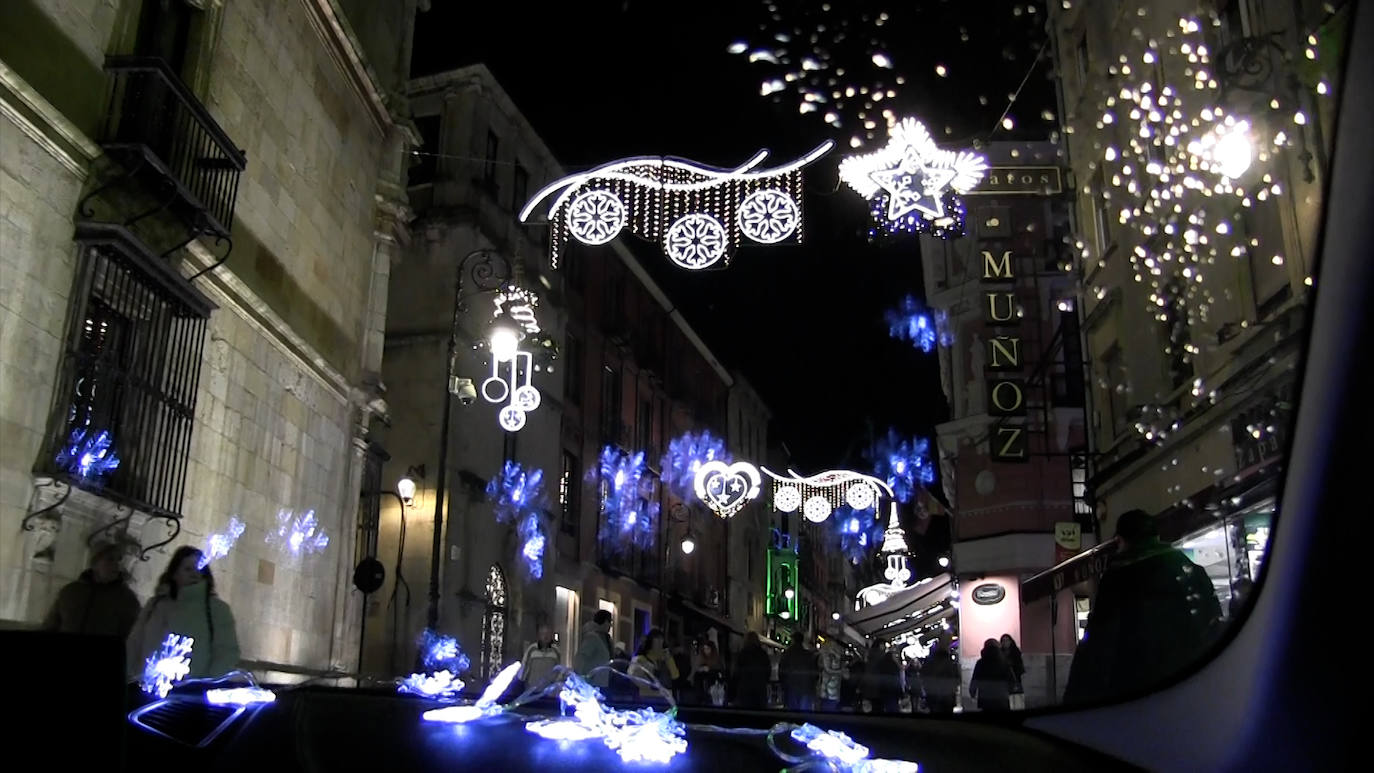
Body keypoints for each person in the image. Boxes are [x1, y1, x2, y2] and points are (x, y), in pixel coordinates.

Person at [1064, 509, 1223, 705]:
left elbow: (1100, 641)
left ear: (1121, 541)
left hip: (1137, 691)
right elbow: (1212, 623)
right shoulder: (1191, 571)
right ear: (1156, 536)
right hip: (1192, 683)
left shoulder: (1118, 578)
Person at [126, 546, 240, 682]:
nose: (194, 574)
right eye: (188, 569)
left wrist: (207, 685)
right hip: (148, 687)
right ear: (175, 574)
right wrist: (130, 676)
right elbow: (135, 642)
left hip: (192, 693)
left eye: (200, 570)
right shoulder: (155, 605)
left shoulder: (217, 610)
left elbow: (226, 652)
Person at [41, 542, 141, 638]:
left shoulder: (127, 600)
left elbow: (132, 638)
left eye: (118, 560)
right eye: (110, 559)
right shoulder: (71, 592)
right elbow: (51, 625)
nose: (116, 565)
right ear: (95, 564)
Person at [628, 627, 679, 701]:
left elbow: (675, 676)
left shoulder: (663, 659)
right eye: (657, 639)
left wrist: (669, 659)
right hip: (646, 698)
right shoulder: (640, 659)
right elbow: (633, 677)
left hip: (663, 698)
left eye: (661, 640)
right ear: (650, 642)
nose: (660, 643)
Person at [572, 609, 614, 688]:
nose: (610, 626)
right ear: (604, 622)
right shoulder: (592, 637)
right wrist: (580, 678)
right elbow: (581, 658)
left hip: (602, 682)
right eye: (609, 622)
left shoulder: (606, 639)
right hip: (592, 683)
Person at [969, 638, 1012, 712]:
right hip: (1001, 697)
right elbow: (1011, 680)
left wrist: (972, 692)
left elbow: (975, 679)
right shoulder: (1004, 662)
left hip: (985, 698)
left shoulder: (980, 663)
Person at [732, 632, 772, 708]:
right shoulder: (762, 654)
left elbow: (737, 672)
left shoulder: (742, 654)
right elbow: (767, 671)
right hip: (760, 688)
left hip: (745, 688)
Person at [779, 635, 818, 711]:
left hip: (791, 686)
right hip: (806, 686)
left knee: (793, 712)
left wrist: (783, 684)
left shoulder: (787, 654)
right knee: (805, 713)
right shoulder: (808, 655)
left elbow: (782, 671)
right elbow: (814, 672)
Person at [921, 640, 959, 715]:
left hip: (933, 696)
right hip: (948, 696)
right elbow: (957, 679)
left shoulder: (929, 663)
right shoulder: (951, 664)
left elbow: (923, 677)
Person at [518, 623, 561, 691]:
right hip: (532, 690)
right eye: (543, 634)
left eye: (548, 634)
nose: (545, 636)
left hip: (549, 691)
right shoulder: (532, 649)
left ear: (551, 635)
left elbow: (558, 669)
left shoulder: (556, 651)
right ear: (539, 635)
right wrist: (520, 682)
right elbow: (524, 667)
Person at [693, 639, 725, 705]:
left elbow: (720, 671)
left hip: (715, 678)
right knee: (697, 676)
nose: (706, 651)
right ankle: (700, 699)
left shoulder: (717, 658)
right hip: (704, 677)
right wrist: (701, 669)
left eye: (708, 648)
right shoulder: (702, 658)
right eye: (704, 649)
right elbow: (697, 669)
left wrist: (710, 669)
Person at [999, 634, 1027, 709]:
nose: (1005, 642)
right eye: (1003, 641)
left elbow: (1020, 668)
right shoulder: (999, 654)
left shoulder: (1016, 652)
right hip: (1003, 682)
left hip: (1015, 680)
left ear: (1011, 641)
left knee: (1017, 703)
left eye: (1007, 640)